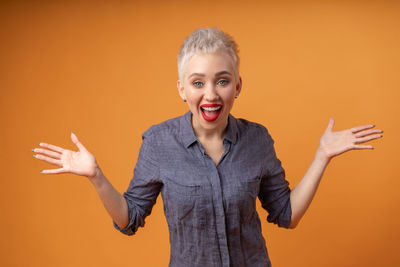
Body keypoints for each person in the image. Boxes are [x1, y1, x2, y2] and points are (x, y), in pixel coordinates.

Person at [32, 27, 383, 267]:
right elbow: (129, 218)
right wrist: (96, 176)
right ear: (182, 89)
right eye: (198, 82)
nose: (211, 94)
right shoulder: (157, 141)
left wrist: (322, 156)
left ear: (237, 86)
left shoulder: (258, 139)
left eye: (222, 81)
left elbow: (287, 215)